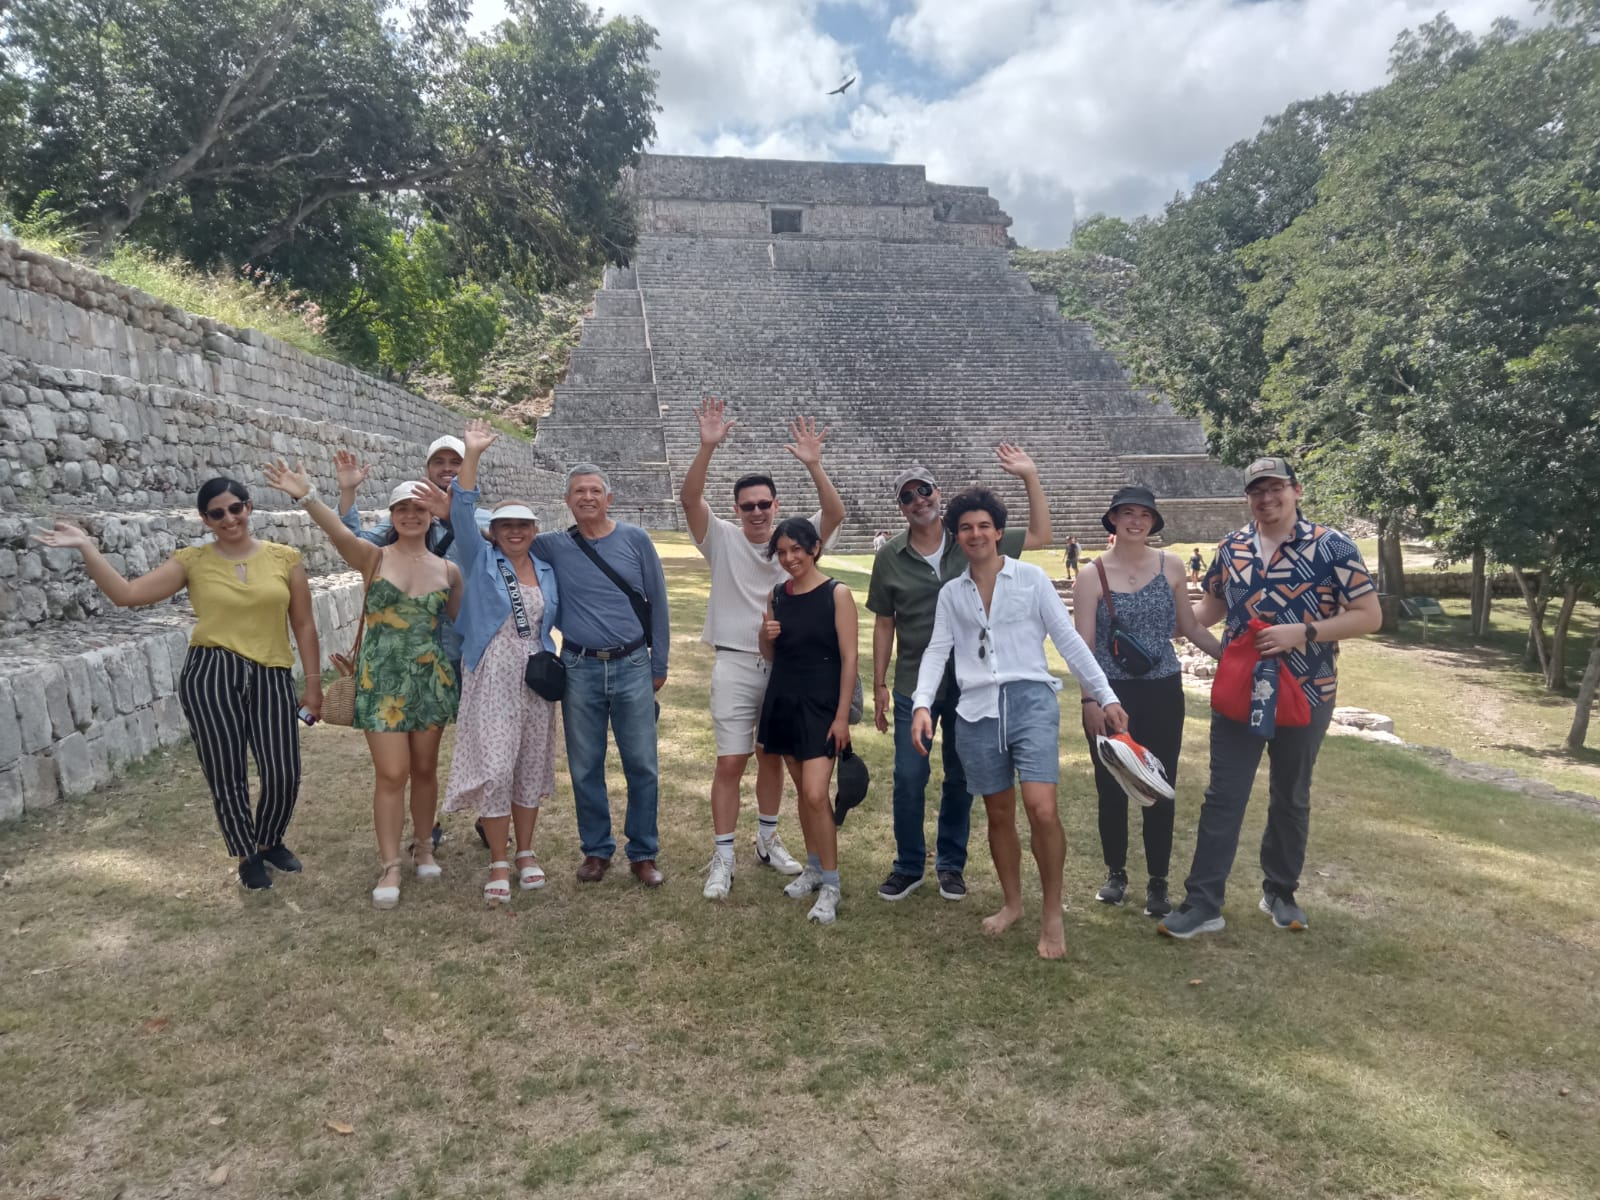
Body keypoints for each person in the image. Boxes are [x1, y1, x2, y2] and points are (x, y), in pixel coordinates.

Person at [35, 479, 321, 891]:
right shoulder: (192, 561)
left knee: (284, 772)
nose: (229, 519)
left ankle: (269, 839)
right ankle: (247, 854)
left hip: (271, 672)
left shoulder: (285, 558)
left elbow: (304, 624)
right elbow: (127, 595)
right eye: (217, 513)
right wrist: (87, 547)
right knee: (226, 771)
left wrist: (313, 684)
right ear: (205, 519)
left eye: (235, 508)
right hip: (212, 671)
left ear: (249, 507)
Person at [1158, 456, 1381, 939]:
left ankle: (1281, 891)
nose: (1267, 498)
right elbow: (1213, 606)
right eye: (1257, 490)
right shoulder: (1232, 547)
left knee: (1291, 795)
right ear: (1248, 498)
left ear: (1296, 490)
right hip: (1242, 689)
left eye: (1276, 487)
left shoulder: (1332, 546)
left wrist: (1304, 632)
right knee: (1223, 795)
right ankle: (1203, 902)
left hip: (1307, 690)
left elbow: (1368, 614)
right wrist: (1168, 623)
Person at [911, 488, 1127, 959]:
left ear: (998, 532)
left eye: (984, 526)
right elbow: (937, 650)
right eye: (966, 527)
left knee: (1041, 808)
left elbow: (1068, 640)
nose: (975, 534)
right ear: (956, 535)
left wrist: (1104, 694)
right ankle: (1012, 903)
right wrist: (922, 704)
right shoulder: (952, 593)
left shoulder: (1030, 578)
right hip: (976, 709)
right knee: (998, 813)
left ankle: (1052, 912)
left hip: (1031, 701)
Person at [261, 462, 462, 907]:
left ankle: (424, 846)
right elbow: (336, 532)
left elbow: (459, 626)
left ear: (431, 514)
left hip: (429, 680)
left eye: (419, 508)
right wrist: (307, 495)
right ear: (392, 514)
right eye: (402, 508)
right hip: (382, 681)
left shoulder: (449, 571)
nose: (411, 515)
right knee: (391, 773)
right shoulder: (373, 557)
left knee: (425, 769)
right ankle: (390, 864)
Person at [867, 446, 1053, 904]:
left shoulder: (972, 537)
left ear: (938, 493)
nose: (918, 500)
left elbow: (1041, 535)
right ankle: (908, 865)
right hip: (917, 681)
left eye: (924, 490)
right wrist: (879, 683)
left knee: (960, 777)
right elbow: (885, 622)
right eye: (907, 496)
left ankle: (950, 864)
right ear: (901, 507)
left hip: (972, 684)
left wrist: (1029, 476)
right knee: (909, 776)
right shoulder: (889, 556)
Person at [680, 396, 846, 899]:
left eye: (764, 504)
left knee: (772, 758)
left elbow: (834, 513)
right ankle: (723, 856)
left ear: (776, 505)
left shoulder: (791, 546)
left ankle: (768, 840)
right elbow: (690, 499)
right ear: (736, 510)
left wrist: (814, 464)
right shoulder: (722, 538)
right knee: (731, 762)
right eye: (747, 505)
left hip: (786, 669)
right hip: (735, 661)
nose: (756, 511)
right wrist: (707, 447)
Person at [429, 421, 563, 905]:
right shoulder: (480, 559)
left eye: (523, 525)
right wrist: (472, 454)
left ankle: (526, 852)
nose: (515, 532)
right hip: (492, 671)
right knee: (497, 767)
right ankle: (499, 860)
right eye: (506, 525)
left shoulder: (546, 569)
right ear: (495, 531)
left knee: (529, 766)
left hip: (534, 676)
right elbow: (462, 509)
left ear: (534, 530)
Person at [1072, 487, 1221, 919]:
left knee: (1159, 783)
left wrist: (1231, 659)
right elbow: (1083, 645)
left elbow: (1190, 626)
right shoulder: (1091, 575)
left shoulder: (1170, 565)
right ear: (1113, 520)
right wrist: (1089, 698)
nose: (1135, 521)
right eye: (1127, 513)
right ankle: (1116, 873)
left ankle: (1158, 880)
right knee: (1112, 785)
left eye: (1144, 515)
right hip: (1110, 693)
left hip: (1162, 689)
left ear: (1153, 522)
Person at [334, 437, 480, 850]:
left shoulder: (477, 517)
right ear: (427, 468)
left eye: (456, 461)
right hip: (404, 650)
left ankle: (488, 819)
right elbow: (356, 541)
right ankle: (423, 832)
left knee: (468, 741)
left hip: (457, 643)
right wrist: (348, 494)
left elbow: (497, 557)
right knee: (403, 763)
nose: (447, 468)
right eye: (440, 461)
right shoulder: (409, 510)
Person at [531, 460, 671, 886]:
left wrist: (659, 663)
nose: (587, 497)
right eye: (579, 491)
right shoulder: (552, 545)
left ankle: (643, 852)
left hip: (633, 664)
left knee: (642, 764)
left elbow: (658, 602)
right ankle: (596, 850)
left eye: (595, 490)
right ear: (567, 500)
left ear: (609, 498)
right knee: (585, 766)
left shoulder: (635, 539)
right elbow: (502, 535)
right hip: (579, 666)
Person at [757, 518, 859, 924]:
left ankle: (831, 884)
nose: (789, 558)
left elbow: (850, 658)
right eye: (781, 552)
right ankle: (814, 867)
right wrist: (765, 635)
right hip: (784, 700)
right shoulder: (777, 595)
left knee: (817, 794)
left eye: (796, 549)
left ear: (815, 548)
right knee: (803, 793)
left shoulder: (837, 593)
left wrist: (842, 717)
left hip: (821, 705)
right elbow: (771, 655)